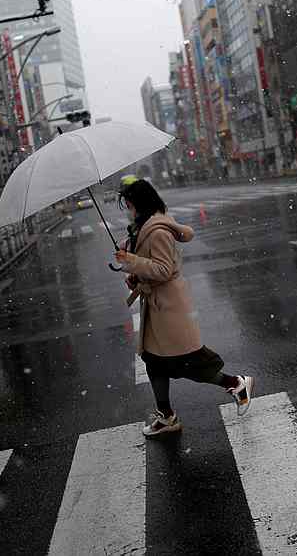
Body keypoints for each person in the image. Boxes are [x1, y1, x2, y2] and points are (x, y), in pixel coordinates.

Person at [114, 179, 254, 437]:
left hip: (168, 308)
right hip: (158, 307)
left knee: (187, 364)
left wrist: (132, 262)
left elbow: (164, 269)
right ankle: (167, 417)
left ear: (140, 204)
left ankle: (236, 383)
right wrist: (134, 273)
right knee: (154, 362)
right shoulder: (143, 228)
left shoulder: (157, 231)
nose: (129, 210)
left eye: (130, 205)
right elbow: (152, 268)